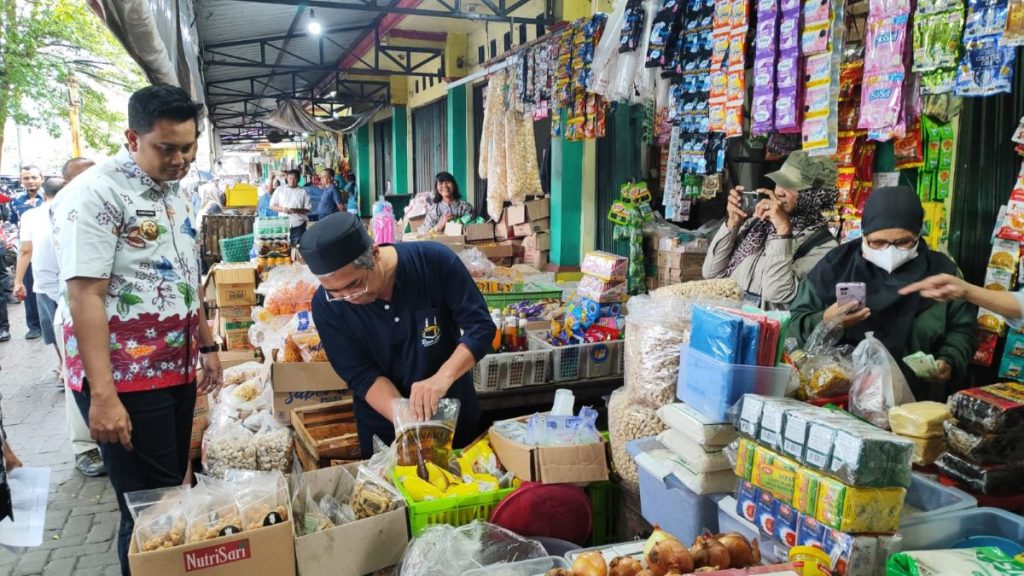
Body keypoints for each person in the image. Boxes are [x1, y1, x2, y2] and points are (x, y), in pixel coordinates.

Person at [52, 84, 223, 575]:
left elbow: (187, 272)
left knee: (171, 489)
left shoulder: (178, 192)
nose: (180, 159)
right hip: (126, 379)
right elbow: (84, 295)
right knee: (148, 510)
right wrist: (102, 397)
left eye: (188, 147)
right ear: (132, 137)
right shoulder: (95, 194)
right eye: (165, 148)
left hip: (175, 367)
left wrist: (207, 342)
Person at [300, 212, 493, 458]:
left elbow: (480, 327)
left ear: (375, 254)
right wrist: (405, 419)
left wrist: (442, 378)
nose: (349, 298)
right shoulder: (327, 306)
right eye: (334, 291)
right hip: (385, 429)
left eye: (354, 284)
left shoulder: (434, 262)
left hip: (453, 418)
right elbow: (360, 373)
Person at [789, 186, 977, 401]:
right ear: (864, 234)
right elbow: (794, 325)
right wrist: (826, 320)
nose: (890, 251)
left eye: (903, 242)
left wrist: (948, 361)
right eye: (878, 242)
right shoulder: (834, 267)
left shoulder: (942, 274)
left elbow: (963, 330)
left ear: (918, 235)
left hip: (914, 405)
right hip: (838, 400)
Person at [703, 152, 839, 309]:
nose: (780, 191)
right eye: (779, 182)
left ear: (817, 195)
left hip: (766, 331)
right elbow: (712, 274)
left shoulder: (825, 249)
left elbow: (777, 293)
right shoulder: (758, 225)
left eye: (792, 186)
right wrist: (732, 224)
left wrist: (782, 233)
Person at [14, 177, 66, 385]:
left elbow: (26, 250)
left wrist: (18, 281)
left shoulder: (30, 216)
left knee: (54, 325)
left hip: (44, 280)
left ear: (45, 194)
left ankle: (64, 365)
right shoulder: (75, 209)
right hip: (72, 279)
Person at [12, 165, 43, 339]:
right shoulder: (16, 200)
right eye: (26, 178)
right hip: (26, 250)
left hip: (47, 250)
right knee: (28, 288)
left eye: (33, 177)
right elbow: (14, 220)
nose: (30, 181)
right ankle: (34, 326)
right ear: (21, 180)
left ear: (41, 178)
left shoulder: (51, 196)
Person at [270, 169, 312, 246]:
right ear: (287, 178)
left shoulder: (303, 192)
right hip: (282, 224)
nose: (292, 181)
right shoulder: (280, 190)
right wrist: (283, 209)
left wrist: (296, 210)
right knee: (283, 248)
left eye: (294, 178)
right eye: (290, 178)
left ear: (298, 179)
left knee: (298, 247)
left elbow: (308, 209)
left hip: (298, 225)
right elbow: (272, 205)